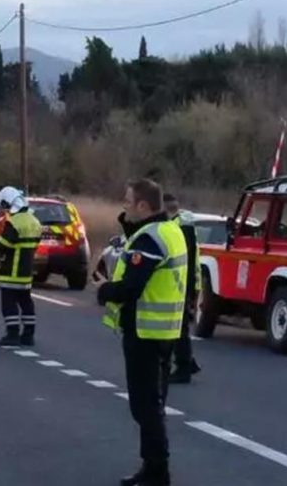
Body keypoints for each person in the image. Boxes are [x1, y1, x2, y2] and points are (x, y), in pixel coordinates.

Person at [95, 179, 187, 486]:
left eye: (128, 201)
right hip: (165, 332)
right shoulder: (170, 230)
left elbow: (131, 287)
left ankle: (157, 471)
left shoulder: (149, 239)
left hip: (145, 332)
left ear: (144, 206)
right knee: (153, 404)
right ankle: (152, 466)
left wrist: (104, 290)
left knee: (145, 406)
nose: (124, 205)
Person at [0, 186, 43, 347]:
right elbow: (35, 245)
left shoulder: (13, 223)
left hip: (11, 271)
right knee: (26, 302)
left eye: (5, 206)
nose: (5, 211)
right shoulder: (35, 222)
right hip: (26, 272)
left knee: (9, 303)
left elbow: (2, 247)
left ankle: (12, 334)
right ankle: (28, 335)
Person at [163, 194, 202, 384]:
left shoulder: (179, 227)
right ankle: (187, 362)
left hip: (179, 284)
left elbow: (183, 260)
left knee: (178, 329)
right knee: (178, 328)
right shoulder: (183, 225)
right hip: (185, 284)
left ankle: (184, 367)